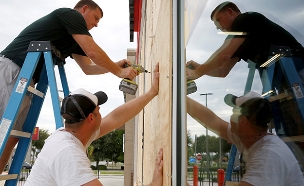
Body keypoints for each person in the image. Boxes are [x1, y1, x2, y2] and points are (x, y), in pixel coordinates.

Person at [0, 0, 138, 172]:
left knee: (13, 137)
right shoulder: (69, 15)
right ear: (84, 9)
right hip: (12, 70)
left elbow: (88, 68)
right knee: (2, 130)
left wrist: (115, 66)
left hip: (27, 81)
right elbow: (93, 52)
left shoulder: (72, 38)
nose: (96, 24)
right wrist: (119, 72)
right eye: (95, 18)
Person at [24, 63, 162, 186]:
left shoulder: (66, 134)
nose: (101, 112)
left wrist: (151, 93)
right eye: (98, 110)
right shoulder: (68, 153)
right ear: (91, 118)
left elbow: (115, 118)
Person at [187, 91, 304, 185]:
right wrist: (181, 98)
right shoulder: (249, 137)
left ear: (242, 120)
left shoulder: (268, 156)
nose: (230, 116)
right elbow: (210, 120)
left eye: (233, 111)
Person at [186, 1, 304, 81]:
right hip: (285, 73)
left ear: (230, 12)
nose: (218, 27)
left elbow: (224, 55)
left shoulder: (245, 20)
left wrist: (198, 72)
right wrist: (200, 68)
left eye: (219, 20)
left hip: (297, 65)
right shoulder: (239, 39)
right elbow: (222, 71)